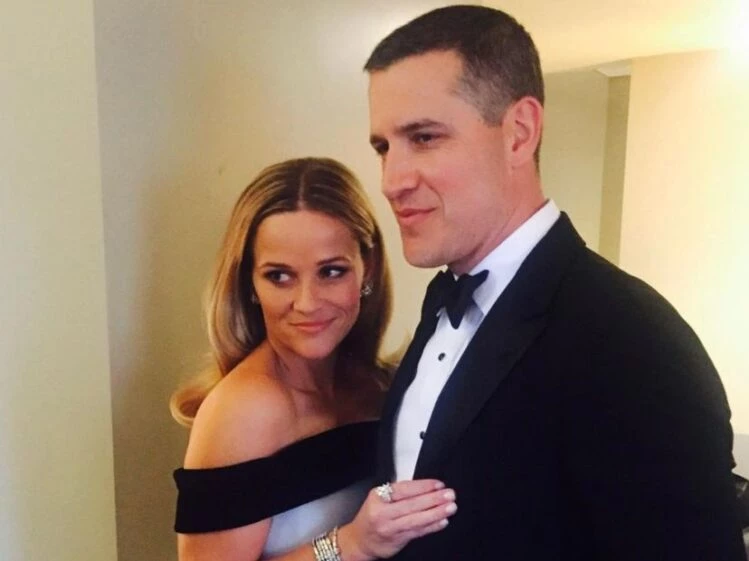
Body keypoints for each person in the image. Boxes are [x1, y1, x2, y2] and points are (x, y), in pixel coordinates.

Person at [364, 5, 745, 560]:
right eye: (383, 147)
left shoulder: (633, 340)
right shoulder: (442, 301)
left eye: (423, 137)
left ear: (519, 134)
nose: (392, 180)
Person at [170, 157, 457, 561]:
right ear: (249, 283)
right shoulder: (243, 410)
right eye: (279, 276)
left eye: (331, 272)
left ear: (368, 268)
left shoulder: (379, 386)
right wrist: (351, 544)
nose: (307, 303)